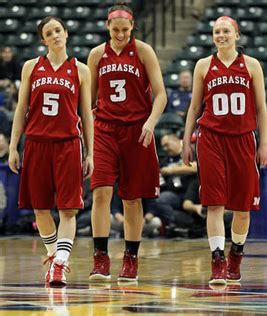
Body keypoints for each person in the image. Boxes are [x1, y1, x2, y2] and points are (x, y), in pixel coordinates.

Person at [182, 16, 267, 285]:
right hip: (211, 139)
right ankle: (218, 259)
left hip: (243, 139)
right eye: (217, 32)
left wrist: (264, 143)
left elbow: (262, 109)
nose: (221, 35)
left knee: (243, 208)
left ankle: (236, 255)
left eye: (226, 31)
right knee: (215, 204)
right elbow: (195, 107)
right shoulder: (203, 65)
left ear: (236, 35)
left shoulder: (252, 65)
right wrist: (187, 141)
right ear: (212, 36)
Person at [8, 16, 94, 286]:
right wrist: (13, 146)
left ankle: (60, 264)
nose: (55, 35)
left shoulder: (80, 70)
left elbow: (87, 116)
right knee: (41, 209)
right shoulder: (31, 67)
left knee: (68, 209)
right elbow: (21, 109)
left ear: (66, 33)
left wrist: (90, 152)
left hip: (68, 144)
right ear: (43, 39)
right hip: (36, 143)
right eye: (49, 32)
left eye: (58, 30)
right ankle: (52, 254)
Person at [87, 2, 167, 282]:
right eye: (115, 29)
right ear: (107, 26)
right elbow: (88, 101)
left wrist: (150, 122)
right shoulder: (97, 54)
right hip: (105, 129)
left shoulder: (143, 51)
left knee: (132, 199)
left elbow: (160, 95)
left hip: (137, 130)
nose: (120, 34)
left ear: (132, 26)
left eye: (125, 29)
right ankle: (100, 256)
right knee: (100, 192)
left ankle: (131, 258)